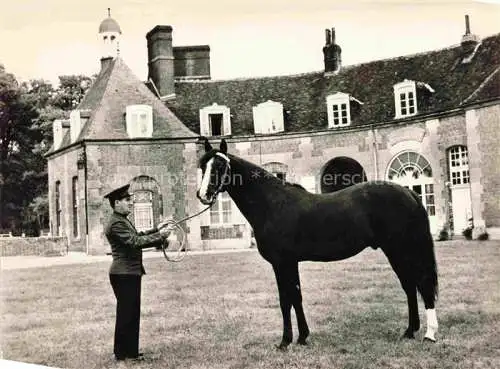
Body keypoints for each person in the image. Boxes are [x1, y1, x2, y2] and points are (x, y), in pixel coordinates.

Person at [103, 184, 171, 361]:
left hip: (129, 273)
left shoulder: (122, 220)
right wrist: (160, 237)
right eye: (126, 201)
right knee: (126, 313)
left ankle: (130, 352)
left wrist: (157, 229)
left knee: (132, 313)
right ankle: (121, 353)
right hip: (123, 274)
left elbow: (138, 235)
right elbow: (134, 241)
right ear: (117, 203)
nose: (130, 204)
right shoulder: (116, 223)